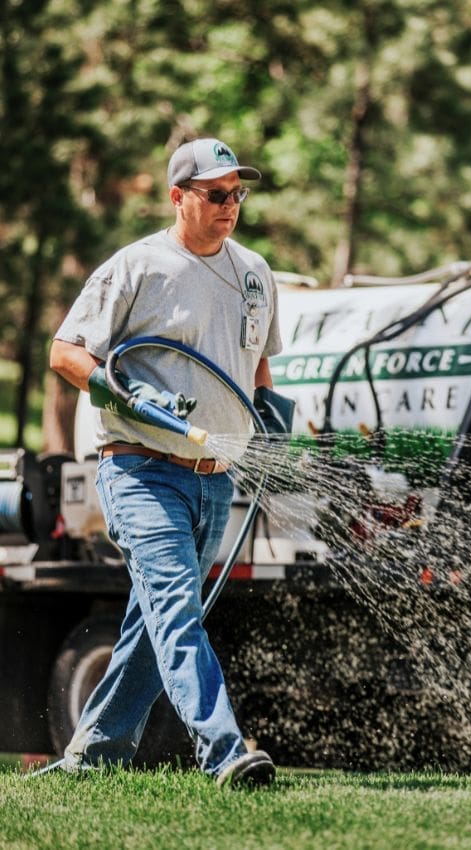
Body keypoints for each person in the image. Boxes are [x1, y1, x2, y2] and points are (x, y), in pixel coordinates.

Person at [50, 137, 282, 788]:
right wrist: (120, 391)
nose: (230, 204)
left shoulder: (256, 273)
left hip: (213, 481)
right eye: (216, 193)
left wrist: (267, 407)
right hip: (140, 471)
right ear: (179, 197)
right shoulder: (137, 268)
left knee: (154, 631)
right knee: (177, 612)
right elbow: (65, 353)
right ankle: (226, 751)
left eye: (238, 192)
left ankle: (92, 756)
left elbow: (258, 358)